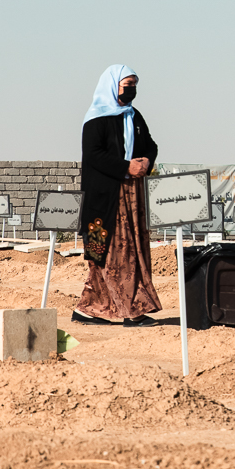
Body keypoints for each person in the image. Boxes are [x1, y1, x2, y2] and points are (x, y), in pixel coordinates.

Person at [73, 63, 161, 325]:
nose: (132, 90)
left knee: (130, 250)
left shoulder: (134, 117)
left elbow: (151, 145)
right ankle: (131, 310)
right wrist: (125, 166)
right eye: (127, 84)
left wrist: (146, 162)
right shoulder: (96, 119)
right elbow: (93, 155)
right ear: (113, 85)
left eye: (134, 85)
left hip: (132, 195)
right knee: (110, 253)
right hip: (105, 200)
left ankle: (91, 308)